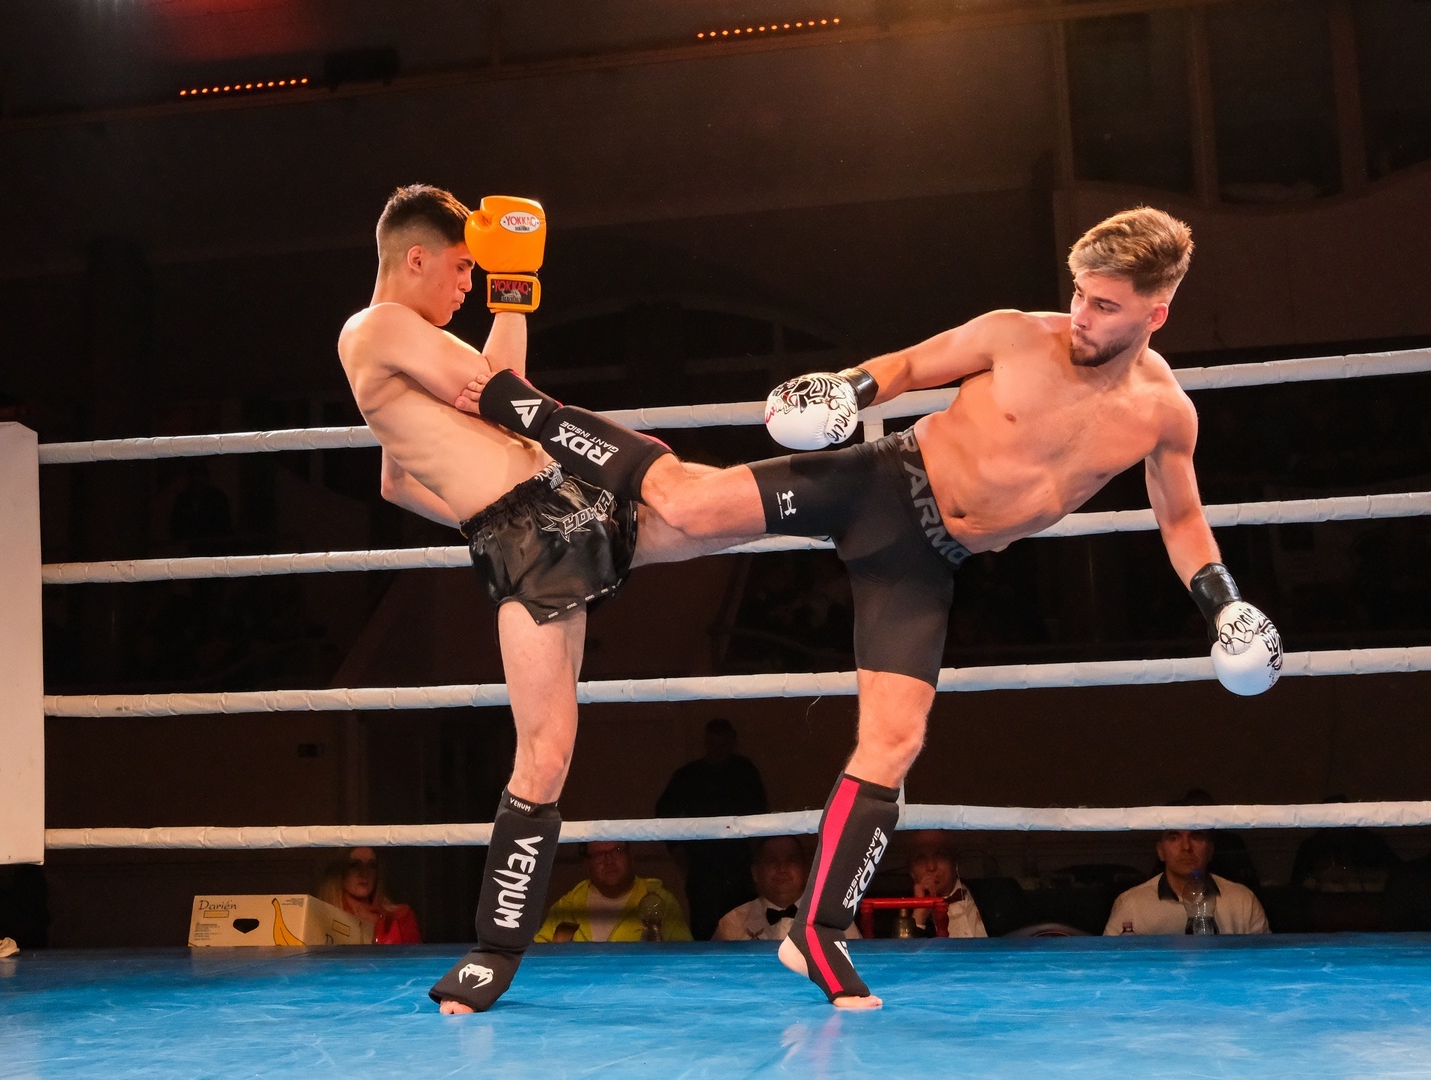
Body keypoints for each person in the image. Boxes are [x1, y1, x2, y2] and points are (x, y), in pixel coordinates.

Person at [461, 206, 1284, 1007]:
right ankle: (519, 411)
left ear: (1155, 313)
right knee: (691, 505)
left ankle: (818, 931)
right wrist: (846, 391)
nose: (1081, 315)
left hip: (927, 561)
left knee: (896, 738)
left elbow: (1181, 519)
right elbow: (913, 365)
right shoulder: (1015, 334)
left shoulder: (1164, 416)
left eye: (1104, 305)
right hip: (880, 484)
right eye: (1078, 292)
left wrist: (1224, 606)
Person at [336, 185, 711, 1013]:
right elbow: (492, 388)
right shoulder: (376, 326)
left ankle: (839, 493)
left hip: (550, 506)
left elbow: (399, 477)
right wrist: (499, 516)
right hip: (534, 529)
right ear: (417, 258)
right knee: (547, 751)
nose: (466, 284)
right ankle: (493, 951)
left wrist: (486, 503)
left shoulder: (402, 355)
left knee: (703, 509)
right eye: (464, 268)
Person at [655, 718, 769, 939]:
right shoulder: (688, 776)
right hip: (702, 870)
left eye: (723, 744)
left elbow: (760, 816)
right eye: (713, 744)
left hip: (739, 868)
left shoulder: (744, 772)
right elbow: (663, 812)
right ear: (706, 743)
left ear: (733, 742)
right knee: (704, 931)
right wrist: (677, 850)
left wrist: (757, 856)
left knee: (744, 929)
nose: (718, 751)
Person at [1104, 829, 1269, 935]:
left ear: (1211, 850)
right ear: (1161, 851)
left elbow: (1264, 965)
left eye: (1196, 836)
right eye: (1174, 838)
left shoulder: (1243, 901)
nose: (1186, 847)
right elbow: (1110, 967)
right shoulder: (1131, 904)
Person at [713, 835, 861, 942]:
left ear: (806, 870)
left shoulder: (834, 920)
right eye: (771, 861)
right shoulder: (733, 923)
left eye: (791, 860)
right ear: (756, 873)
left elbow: (857, 967)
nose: (782, 869)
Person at [535, 842, 692, 943]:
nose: (609, 860)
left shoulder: (659, 899)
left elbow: (684, 957)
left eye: (617, 850)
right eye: (598, 854)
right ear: (587, 863)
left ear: (630, 855)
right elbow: (540, 957)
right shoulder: (569, 905)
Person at [316, 847, 421, 945]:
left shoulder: (400, 916)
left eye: (371, 865)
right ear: (338, 871)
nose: (364, 874)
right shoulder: (322, 918)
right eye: (354, 865)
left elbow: (415, 958)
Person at [905, 830, 987, 938]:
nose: (931, 867)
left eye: (940, 856)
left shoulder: (990, 894)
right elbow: (905, 948)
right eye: (921, 859)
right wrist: (920, 913)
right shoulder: (901, 913)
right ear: (911, 872)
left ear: (954, 862)